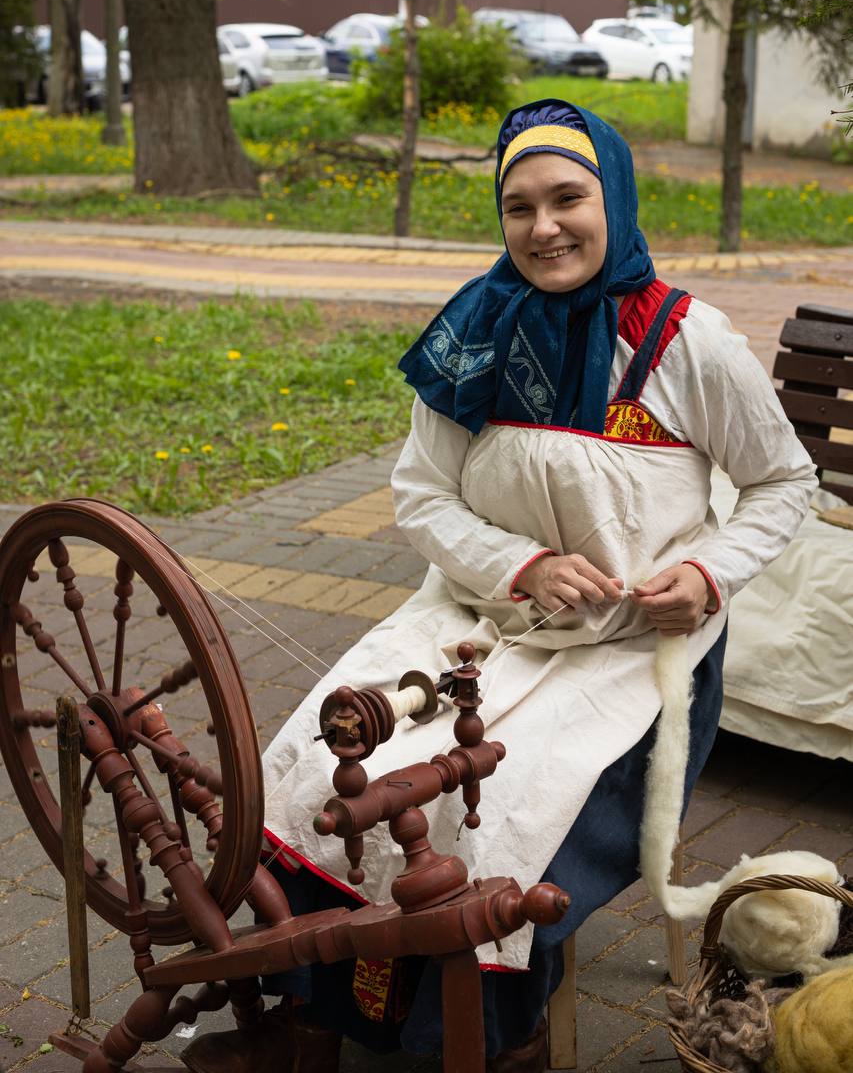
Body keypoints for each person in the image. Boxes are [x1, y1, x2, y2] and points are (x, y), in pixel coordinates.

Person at [182, 100, 817, 1073]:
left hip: (628, 652)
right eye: (518, 207)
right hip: (478, 616)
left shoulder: (687, 341)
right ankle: (307, 1024)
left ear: (615, 199)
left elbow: (782, 482)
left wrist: (706, 573)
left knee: (504, 819)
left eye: (568, 198)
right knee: (314, 763)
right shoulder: (473, 333)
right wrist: (522, 566)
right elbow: (421, 494)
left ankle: (488, 1043)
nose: (543, 226)